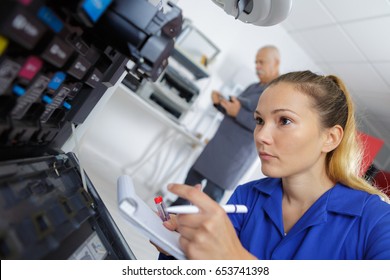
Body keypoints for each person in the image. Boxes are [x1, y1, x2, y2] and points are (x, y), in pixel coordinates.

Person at [161, 70, 390, 259]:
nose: (261, 136)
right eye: (260, 121)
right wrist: (178, 247)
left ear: (330, 138)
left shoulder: (377, 222)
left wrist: (238, 260)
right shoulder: (247, 197)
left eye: (285, 121)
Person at [171, 45, 281, 205]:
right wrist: (220, 103)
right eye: (256, 62)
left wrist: (238, 113)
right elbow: (235, 109)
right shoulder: (253, 86)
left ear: (276, 63)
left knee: (207, 201)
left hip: (233, 158)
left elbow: (269, 126)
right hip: (217, 146)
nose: (257, 66)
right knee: (190, 181)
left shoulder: (277, 93)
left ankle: (193, 228)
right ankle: (172, 215)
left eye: (261, 62)